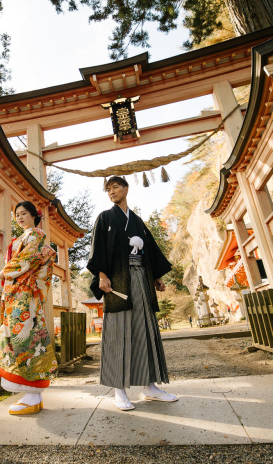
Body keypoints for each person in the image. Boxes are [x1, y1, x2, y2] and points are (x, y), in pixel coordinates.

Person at [87, 176, 178, 411]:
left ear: (126, 188)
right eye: (108, 189)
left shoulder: (136, 220)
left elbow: (149, 249)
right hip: (117, 281)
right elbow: (97, 249)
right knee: (119, 331)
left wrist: (155, 276)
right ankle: (119, 390)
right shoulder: (105, 217)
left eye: (115, 187)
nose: (111, 192)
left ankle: (149, 387)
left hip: (141, 278)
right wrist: (102, 275)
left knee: (144, 329)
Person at [0, 201, 58, 415]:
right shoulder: (26, 237)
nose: (20, 217)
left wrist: (5, 272)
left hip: (23, 295)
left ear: (34, 215)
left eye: (24, 213)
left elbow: (26, 259)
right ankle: (34, 394)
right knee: (27, 338)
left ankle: (32, 394)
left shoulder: (35, 236)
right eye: (17, 214)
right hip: (21, 294)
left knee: (23, 339)